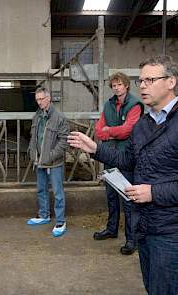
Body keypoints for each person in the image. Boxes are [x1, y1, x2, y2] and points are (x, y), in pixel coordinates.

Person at [67, 55, 178, 295]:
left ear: (171, 82)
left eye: (150, 79)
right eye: (141, 81)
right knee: (152, 286)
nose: (144, 86)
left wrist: (153, 192)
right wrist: (95, 149)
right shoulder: (144, 124)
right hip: (146, 225)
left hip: (171, 230)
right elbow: (127, 159)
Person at [93, 72, 143, 255]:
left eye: (119, 84)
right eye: (114, 85)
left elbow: (129, 130)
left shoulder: (135, 105)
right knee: (111, 196)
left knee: (128, 199)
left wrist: (110, 131)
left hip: (126, 156)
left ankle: (132, 239)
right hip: (109, 155)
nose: (116, 87)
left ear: (126, 85)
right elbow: (99, 131)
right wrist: (111, 131)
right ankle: (111, 229)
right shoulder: (108, 105)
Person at [27, 87, 69, 237]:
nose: (39, 102)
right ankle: (44, 215)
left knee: (57, 192)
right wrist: (33, 153)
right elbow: (33, 137)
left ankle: (60, 221)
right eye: (37, 99)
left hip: (53, 162)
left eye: (42, 99)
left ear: (48, 98)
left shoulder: (59, 117)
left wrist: (50, 155)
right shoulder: (37, 116)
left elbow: (64, 142)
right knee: (41, 189)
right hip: (39, 160)